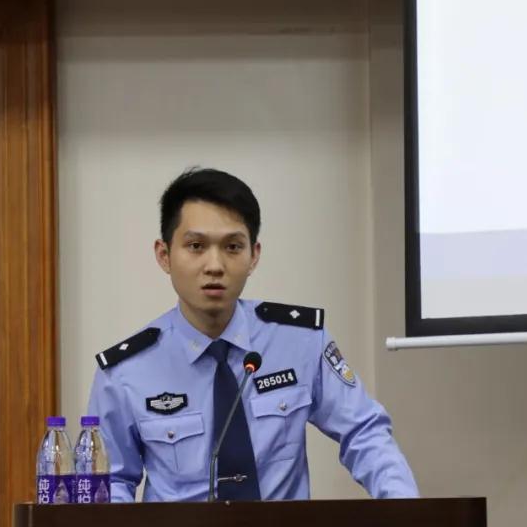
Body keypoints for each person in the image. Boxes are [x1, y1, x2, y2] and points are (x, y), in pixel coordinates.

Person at [85, 168, 419, 502]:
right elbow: (111, 483)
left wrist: (406, 511)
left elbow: (364, 433)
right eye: (196, 246)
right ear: (164, 255)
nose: (215, 265)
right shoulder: (125, 371)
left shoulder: (300, 342)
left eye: (232, 247)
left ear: (254, 255)